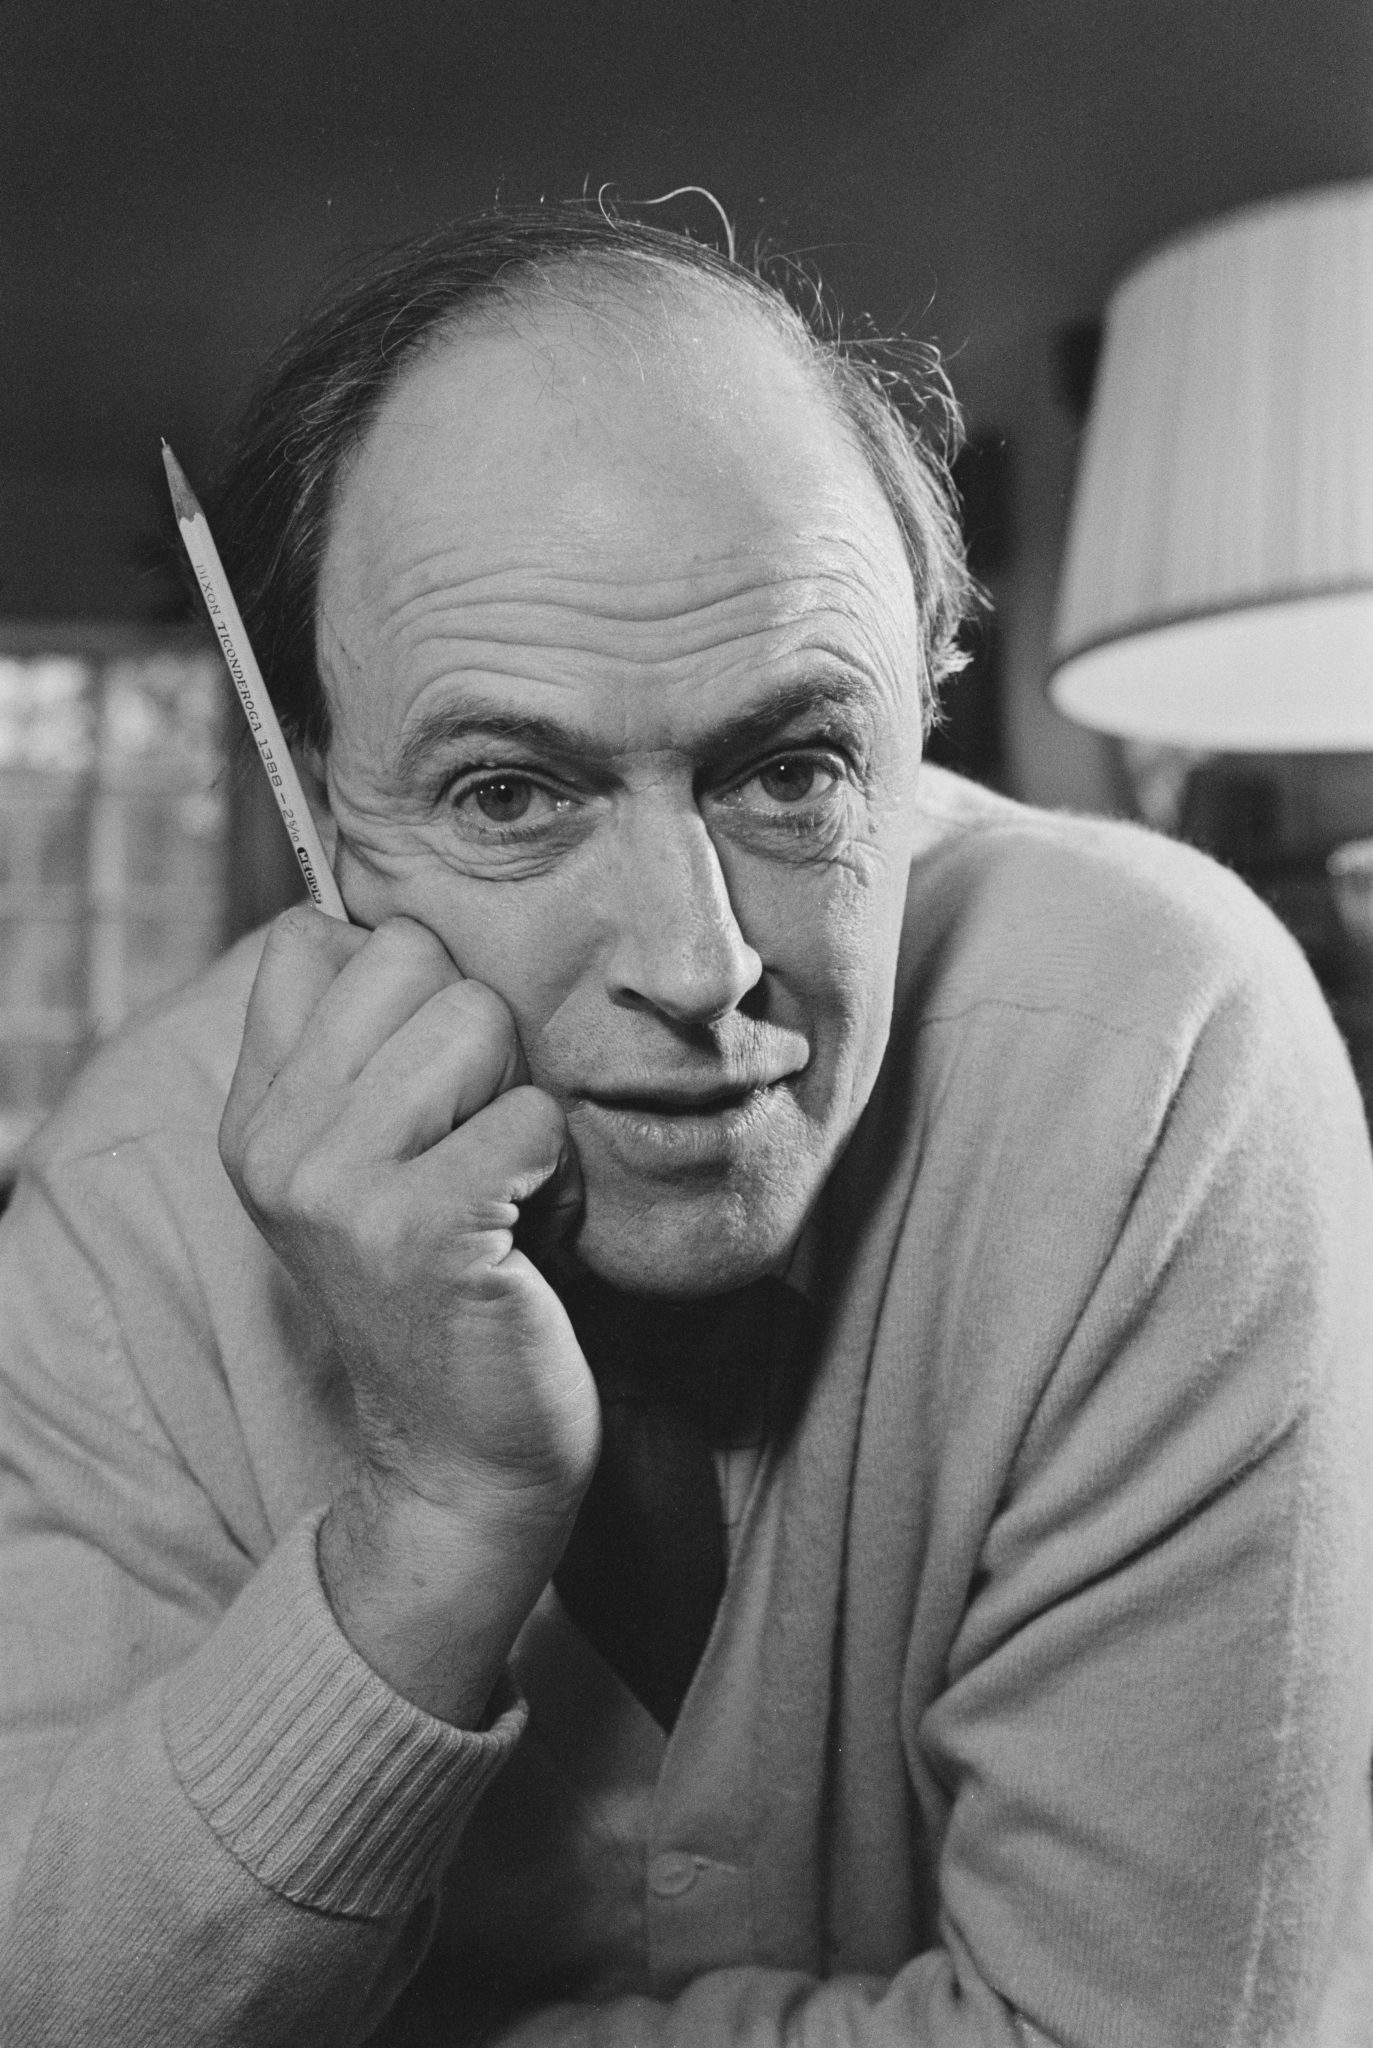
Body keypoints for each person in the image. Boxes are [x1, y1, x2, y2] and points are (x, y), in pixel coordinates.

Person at [1, 208, 1370, 2048]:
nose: (694, 962)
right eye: (511, 794)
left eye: (792, 768)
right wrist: (433, 1520)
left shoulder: (1159, 1059)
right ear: (318, 816)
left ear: (922, 722)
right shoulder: (124, 1197)